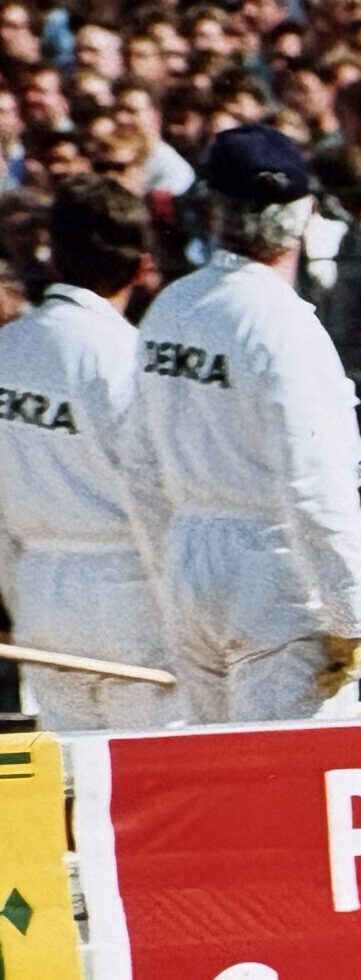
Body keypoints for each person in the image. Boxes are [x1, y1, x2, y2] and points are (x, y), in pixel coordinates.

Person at [126, 127, 361, 722]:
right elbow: (316, 485)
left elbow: (139, 468)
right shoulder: (285, 324)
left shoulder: (172, 307)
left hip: (191, 566)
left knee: (220, 776)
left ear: (215, 211)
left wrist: (172, 572)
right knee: (295, 788)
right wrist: (355, 617)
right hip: (276, 577)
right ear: (304, 215)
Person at [0, 175, 171, 730]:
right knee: (145, 785)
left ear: (53, 257)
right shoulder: (127, 357)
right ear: (140, 266)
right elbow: (156, 496)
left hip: (39, 592)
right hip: (130, 593)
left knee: (71, 785)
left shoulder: (8, 349)